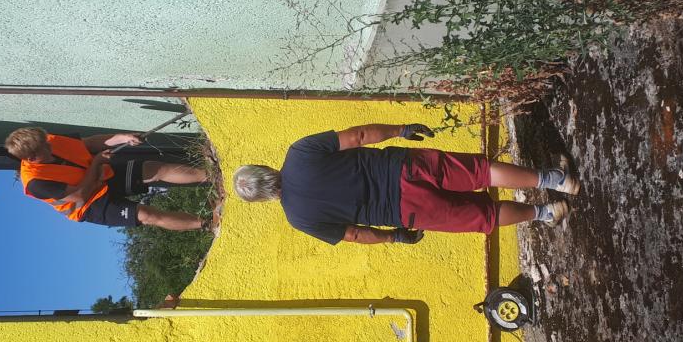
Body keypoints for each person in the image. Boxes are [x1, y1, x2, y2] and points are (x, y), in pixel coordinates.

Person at [232, 122, 577, 245]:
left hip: (405, 210)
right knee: (481, 172)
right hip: (405, 168)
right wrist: (400, 129)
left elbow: (353, 234)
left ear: (263, 198)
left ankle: (546, 212)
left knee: (482, 217)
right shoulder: (300, 153)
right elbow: (358, 136)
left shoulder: (299, 218)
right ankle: (556, 179)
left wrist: (393, 236)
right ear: (265, 169)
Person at [5, 126, 210, 231]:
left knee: (153, 169)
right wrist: (96, 163)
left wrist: (123, 138)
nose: (50, 144)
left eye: (46, 140)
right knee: (146, 215)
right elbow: (80, 196)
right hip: (89, 205)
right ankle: (208, 224)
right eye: (45, 147)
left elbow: (90, 143)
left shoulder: (48, 140)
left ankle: (211, 176)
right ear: (31, 158)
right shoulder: (35, 183)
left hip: (102, 175)